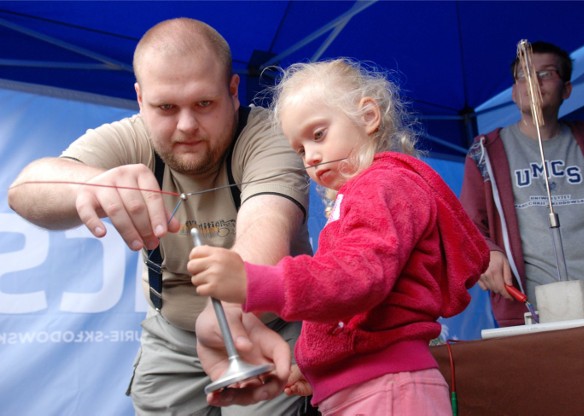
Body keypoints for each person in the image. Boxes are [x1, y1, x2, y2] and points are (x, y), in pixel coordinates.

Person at [7, 17, 313, 415]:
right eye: (166, 107)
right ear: (140, 99)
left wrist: (228, 319)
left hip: (264, 329)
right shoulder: (132, 137)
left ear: (233, 91)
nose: (186, 125)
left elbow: (266, 225)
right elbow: (24, 190)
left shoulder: (270, 138)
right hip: (171, 340)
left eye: (204, 104)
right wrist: (93, 184)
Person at [188, 58, 489, 415]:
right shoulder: (365, 193)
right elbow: (364, 316)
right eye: (300, 150)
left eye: (318, 135)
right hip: (372, 388)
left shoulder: (380, 186)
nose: (311, 158)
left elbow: (358, 278)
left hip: (389, 390)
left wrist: (254, 281)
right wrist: (321, 368)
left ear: (368, 117)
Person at [460, 41, 584, 327]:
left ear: (566, 89)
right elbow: (467, 227)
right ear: (513, 91)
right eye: (523, 75)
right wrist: (487, 253)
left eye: (546, 74)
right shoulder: (486, 152)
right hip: (534, 308)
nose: (533, 81)